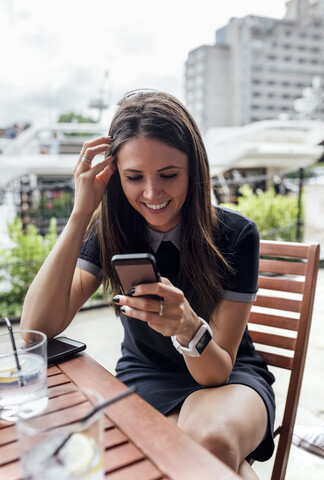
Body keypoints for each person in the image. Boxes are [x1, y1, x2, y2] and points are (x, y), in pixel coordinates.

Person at [21, 90, 275, 479]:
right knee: (205, 461)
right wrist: (81, 211)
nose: (153, 194)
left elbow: (216, 372)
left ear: (194, 170)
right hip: (146, 374)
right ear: (115, 175)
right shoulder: (111, 231)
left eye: (169, 175)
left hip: (227, 372)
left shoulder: (236, 235)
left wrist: (187, 327)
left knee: (208, 446)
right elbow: (35, 328)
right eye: (134, 177)